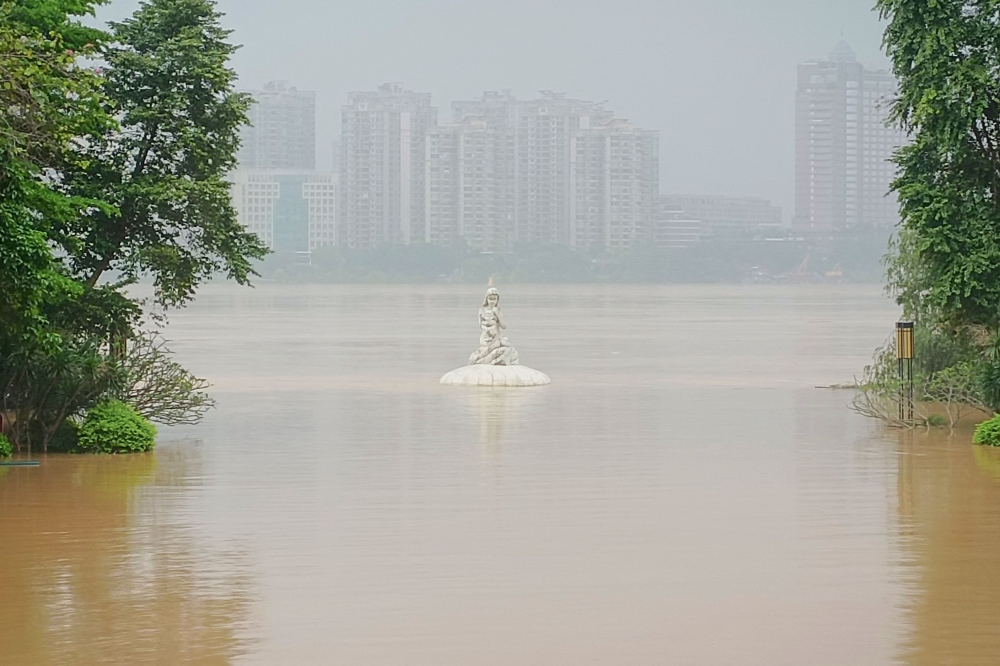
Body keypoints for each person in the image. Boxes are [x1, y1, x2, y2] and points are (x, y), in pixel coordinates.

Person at [469, 287, 519, 366]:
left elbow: (503, 326)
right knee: (497, 346)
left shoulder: (498, 310)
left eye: (494, 299)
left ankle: (499, 359)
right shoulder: (482, 310)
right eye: (490, 299)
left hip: (497, 336)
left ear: (497, 300)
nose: (492, 301)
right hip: (486, 337)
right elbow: (481, 325)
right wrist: (488, 330)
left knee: (506, 344)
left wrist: (497, 314)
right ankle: (479, 358)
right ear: (487, 299)